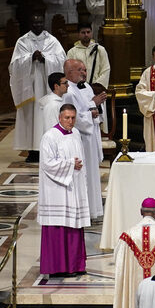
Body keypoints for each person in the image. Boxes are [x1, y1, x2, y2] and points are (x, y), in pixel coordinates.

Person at [38, 104, 90, 276]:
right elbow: (47, 163)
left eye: (73, 118)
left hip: (74, 187)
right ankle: (58, 268)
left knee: (74, 226)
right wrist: (70, 165)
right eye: (67, 118)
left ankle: (75, 265)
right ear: (60, 118)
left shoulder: (75, 133)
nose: (70, 121)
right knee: (59, 228)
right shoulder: (50, 137)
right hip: (57, 191)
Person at [10, 14, 66, 162]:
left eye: (40, 22)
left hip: (46, 87)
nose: (37, 25)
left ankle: (48, 149)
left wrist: (45, 59)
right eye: (35, 23)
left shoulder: (52, 41)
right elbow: (14, 65)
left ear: (44, 23)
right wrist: (30, 58)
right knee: (31, 117)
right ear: (30, 24)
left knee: (45, 116)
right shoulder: (22, 41)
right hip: (30, 88)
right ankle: (32, 151)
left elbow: (61, 60)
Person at [62, 58, 107, 217]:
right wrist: (92, 105)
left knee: (93, 173)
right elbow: (74, 119)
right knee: (84, 174)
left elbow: (93, 111)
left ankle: (94, 210)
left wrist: (98, 106)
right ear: (69, 73)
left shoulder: (87, 86)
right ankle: (84, 212)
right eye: (80, 70)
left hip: (91, 136)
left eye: (85, 70)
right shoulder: (68, 92)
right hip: (80, 139)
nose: (84, 73)